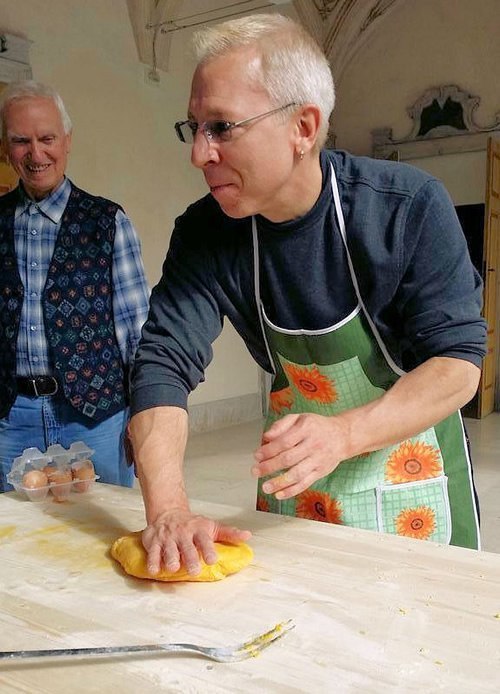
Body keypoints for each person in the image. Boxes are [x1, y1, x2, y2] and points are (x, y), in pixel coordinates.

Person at [129, 14, 486, 576]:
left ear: (303, 127)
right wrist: (169, 509)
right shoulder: (207, 233)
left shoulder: (405, 206)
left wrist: (344, 433)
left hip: (408, 479)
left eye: (221, 127)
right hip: (295, 487)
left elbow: (458, 366)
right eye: (193, 127)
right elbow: (161, 364)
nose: (198, 154)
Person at [0, 80, 150, 491]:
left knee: (100, 538)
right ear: (6, 147)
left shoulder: (108, 222)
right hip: (10, 418)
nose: (36, 154)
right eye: (20, 141)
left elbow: (137, 334)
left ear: (67, 140)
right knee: (12, 544)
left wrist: (144, 419)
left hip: (97, 417)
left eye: (47, 138)